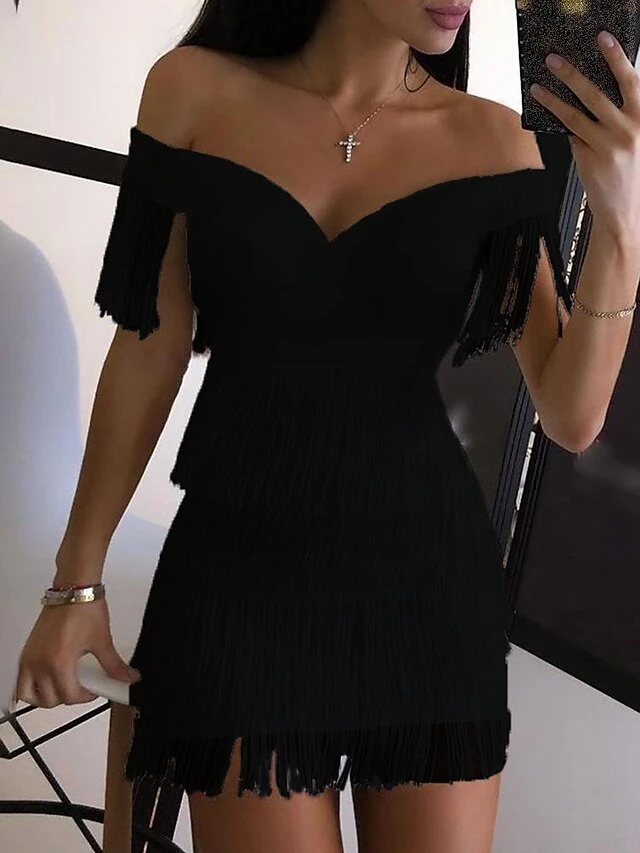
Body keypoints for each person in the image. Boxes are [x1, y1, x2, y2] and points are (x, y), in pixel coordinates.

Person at [14, 1, 640, 851]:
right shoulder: (193, 91)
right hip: (241, 590)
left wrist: (621, 225)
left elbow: (570, 412)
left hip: (431, 596)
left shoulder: (493, 140)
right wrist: (76, 582)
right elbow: (148, 346)